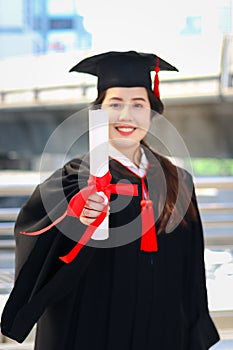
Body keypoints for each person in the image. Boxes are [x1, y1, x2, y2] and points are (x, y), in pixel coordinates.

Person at [1, 51, 220, 350]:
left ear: (151, 113)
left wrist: (194, 333)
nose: (126, 115)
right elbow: (35, 237)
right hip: (93, 331)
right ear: (98, 112)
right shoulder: (74, 179)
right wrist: (79, 221)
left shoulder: (178, 181)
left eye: (138, 104)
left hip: (163, 331)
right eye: (114, 104)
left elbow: (190, 272)